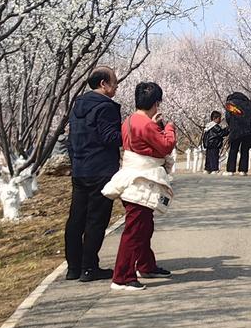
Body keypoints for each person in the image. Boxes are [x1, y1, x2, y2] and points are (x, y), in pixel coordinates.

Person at [103, 81, 175, 293]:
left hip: (133, 177)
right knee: (135, 230)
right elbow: (165, 145)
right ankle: (122, 277)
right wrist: (169, 128)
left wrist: (157, 126)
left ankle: (145, 265)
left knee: (143, 226)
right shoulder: (146, 124)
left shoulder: (130, 121)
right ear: (156, 102)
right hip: (141, 181)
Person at [64, 66, 122, 282]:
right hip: (100, 170)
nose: (116, 86)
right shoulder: (105, 107)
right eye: (114, 82)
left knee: (76, 219)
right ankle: (89, 268)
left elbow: (72, 139)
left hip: (80, 169)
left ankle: (73, 267)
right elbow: (110, 137)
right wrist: (128, 132)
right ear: (103, 84)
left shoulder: (78, 105)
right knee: (96, 220)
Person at [223, 90, 251, 175]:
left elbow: (228, 117)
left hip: (236, 129)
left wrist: (231, 125)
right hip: (248, 130)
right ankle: (243, 170)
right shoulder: (249, 104)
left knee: (234, 149)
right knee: (245, 149)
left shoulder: (231, 103)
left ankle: (230, 170)